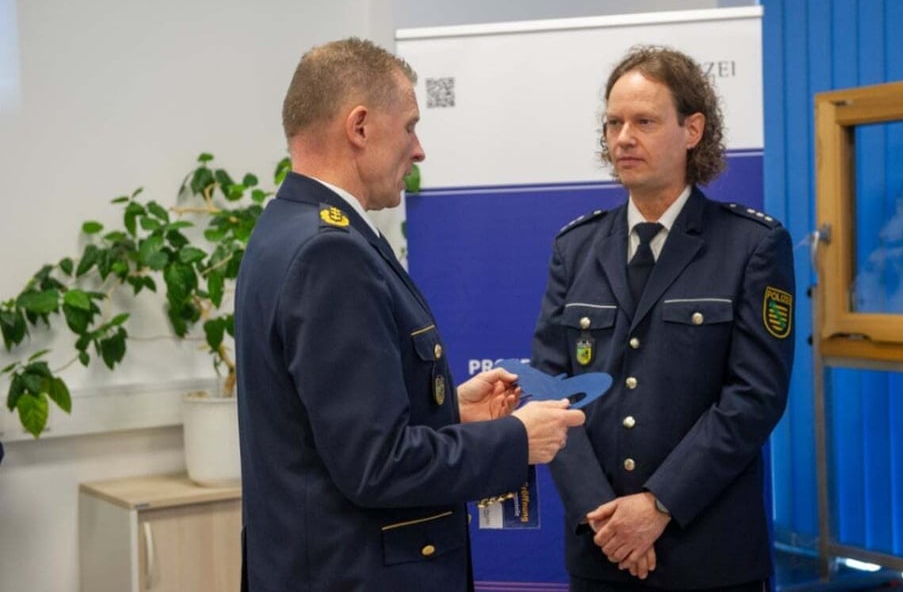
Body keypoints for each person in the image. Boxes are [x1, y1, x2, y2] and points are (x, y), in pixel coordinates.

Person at [234, 37, 585, 592]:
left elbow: (328, 430)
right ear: (360, 127)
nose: (418, 150)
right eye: (410, 127)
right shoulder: (332, 253)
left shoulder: (284, 226)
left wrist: (449, 412)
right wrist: (517, 439)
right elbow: (378, 464)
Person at [531, 45, 795, 591]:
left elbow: (754, 397)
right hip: (600, 552)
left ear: (692, 130)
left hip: (707, 553)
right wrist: (603, 517)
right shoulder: (575, 248)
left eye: (644, 121)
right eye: (613, 123)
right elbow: (547, 388)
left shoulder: (752, 246)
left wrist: (657, 505)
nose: (623, 137)